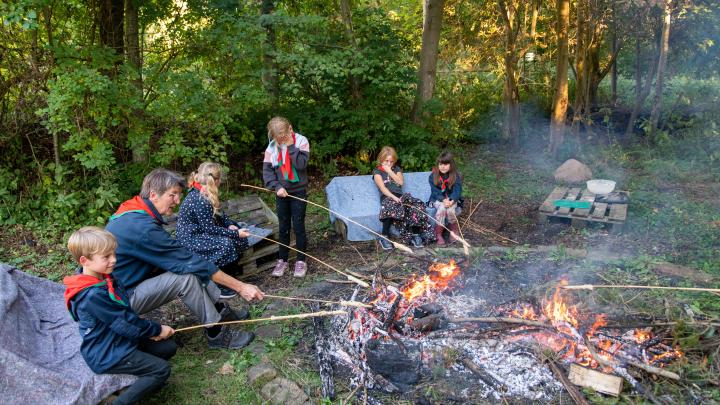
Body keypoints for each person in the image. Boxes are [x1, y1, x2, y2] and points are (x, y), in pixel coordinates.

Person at [106, 168, 263, 350]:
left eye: (179, 195)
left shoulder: (135, 209)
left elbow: (182, 259)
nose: (178, 201)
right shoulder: (141, 227)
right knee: (186, 278)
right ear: (153, 194)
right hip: (121, 297)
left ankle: (218, 310)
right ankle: (217, 334)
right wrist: (241, 287)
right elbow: (188, 261)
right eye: (173, 195)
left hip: (130, 281)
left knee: (189, 266)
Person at [64, 226, 176, 405]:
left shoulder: (104, 277)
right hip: (107, 353)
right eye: (106, 257)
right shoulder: (92, 295)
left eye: (113, 254)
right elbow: (124, 322)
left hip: (120, 339)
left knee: (168, 348)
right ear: (85, 261)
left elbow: (125, 315)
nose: (114, 260)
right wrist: (156, 329)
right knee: (161, 370)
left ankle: (140, 383)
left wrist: (151, 332)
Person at [176, 162, 250, 299]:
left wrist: (229, 225)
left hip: (202, 232)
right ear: (217, 180)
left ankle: (229, 276)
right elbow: (209, 229)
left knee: (238, 236)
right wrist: (234, 233)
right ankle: (217, 285)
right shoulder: (199, 198)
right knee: (226, 243)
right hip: (192, 238)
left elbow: (219, 214)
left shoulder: (206, 191)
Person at [263, 116, 310, 278]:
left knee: (298, 226)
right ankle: (282, 259)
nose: (281, 140)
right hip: (282, 193)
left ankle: (301, 260)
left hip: (298, 191)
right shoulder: (271, 148)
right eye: (278, 138)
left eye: (283, 136)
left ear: (290, 128)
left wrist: (290, 147)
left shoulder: (301, 142)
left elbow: (301, 165)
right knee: (283, 227)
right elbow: (268, 172)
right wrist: (277, 186)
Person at [372, 146, 435, 250]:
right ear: (381, 159)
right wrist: (393, 198)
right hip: (387, 196)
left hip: (400, 196)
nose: (389, 163)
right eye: (386, 160)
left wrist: (389, 171)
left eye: (391, 161)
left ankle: (415, 235)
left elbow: (400, 182)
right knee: (389, 205)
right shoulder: (377, 172)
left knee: (416, 205)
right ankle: (384, 236)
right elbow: (383, 189)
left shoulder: (396, 169)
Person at [428, 151, 463, 246]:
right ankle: (438, 233)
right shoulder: (433, 176)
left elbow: (457, 190)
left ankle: (454, 230)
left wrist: (451, 200)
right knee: (442, 209)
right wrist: (443, 200)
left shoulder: (456, 175)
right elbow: (435, 191)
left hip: (452, 199)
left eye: (446, 164)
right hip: (437, 199)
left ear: (451, 165)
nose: (443, 167)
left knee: (451, 210)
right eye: (440, 164)